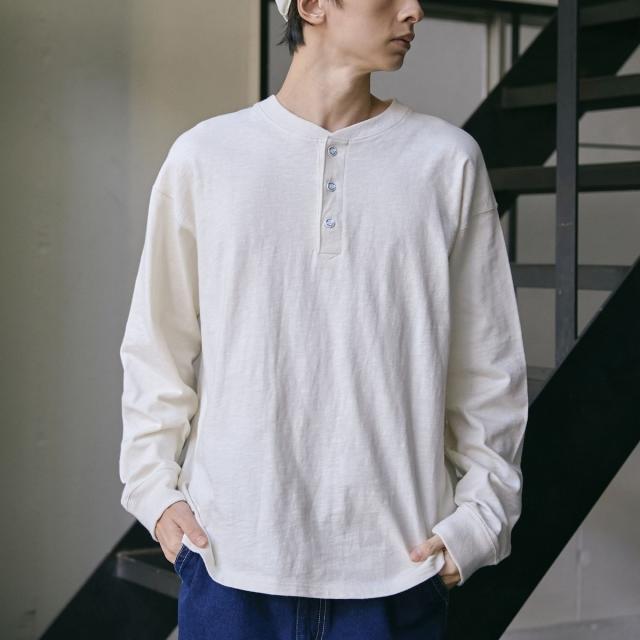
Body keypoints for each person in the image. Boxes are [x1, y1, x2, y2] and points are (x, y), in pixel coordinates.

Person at [118, 0, 529, 638]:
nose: (415, 10)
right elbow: (158, 347)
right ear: (310, 5)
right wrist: (155, 493)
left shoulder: (447, 161)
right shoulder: (206, 157)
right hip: (230, 564)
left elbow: (488, 366)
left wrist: (481, 520)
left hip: (399, 572)